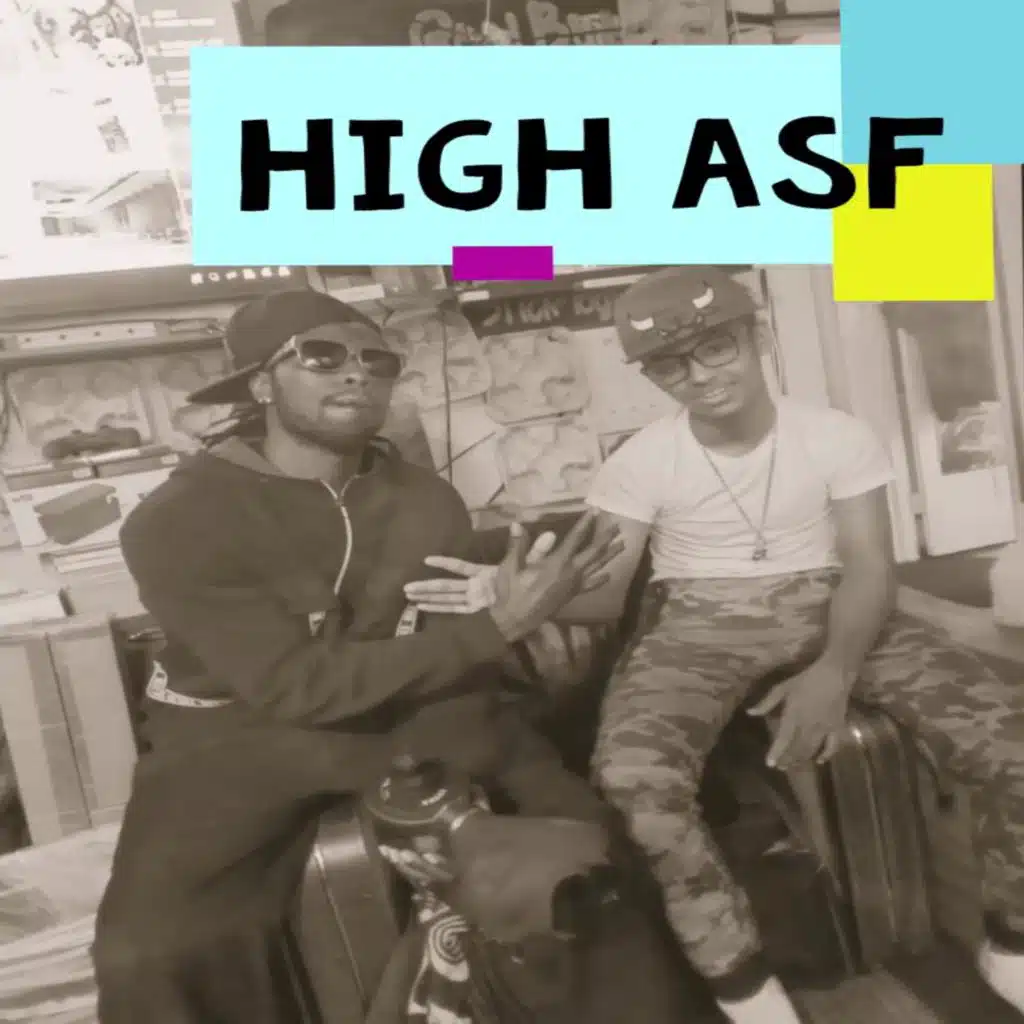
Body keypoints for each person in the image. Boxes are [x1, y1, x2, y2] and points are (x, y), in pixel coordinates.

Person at [404, 266, 1024, 1023]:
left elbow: (869, 567)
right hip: (696, 624)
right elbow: (605, 596)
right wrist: (516, 596)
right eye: (671, 365)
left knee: (1011, 739)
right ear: (651, 376)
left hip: (833, 602)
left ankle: (1013, 943)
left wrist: (834, 674)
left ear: (753, 335)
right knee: (635, 783)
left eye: (716, 347)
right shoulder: (641, 460)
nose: (700, 376)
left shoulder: (835, 435)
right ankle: (747, 990)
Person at [90, 288, 695, 1024]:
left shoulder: (425, 500)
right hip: (239, 734)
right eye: (321, 357)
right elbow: (294, 686)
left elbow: (449, 650)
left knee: (594, 850)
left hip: (405, 712)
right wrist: (503, 622)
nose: (357, 373)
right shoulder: (179, 519)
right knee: (151, 955)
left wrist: (516, 648)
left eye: (377, 360)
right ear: (261, 384)